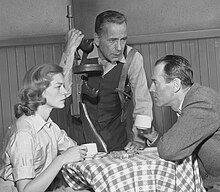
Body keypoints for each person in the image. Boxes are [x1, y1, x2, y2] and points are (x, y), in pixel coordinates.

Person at [60, 10, 153, 152]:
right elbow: (60, 91)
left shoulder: (133, 58)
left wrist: (139, 140)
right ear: (97, 39)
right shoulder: (78, 55)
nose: (119, 48)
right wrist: (68, 51)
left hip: (117, 142)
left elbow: (143, 104)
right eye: (112, 40)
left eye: (123, 39)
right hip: (79, 144)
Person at [0, 64, 89, 192]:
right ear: (40, 92)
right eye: (59, 86)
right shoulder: (24, 134)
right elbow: (26, 190)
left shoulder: (50, 126)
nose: (65, 92)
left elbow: (75, 151)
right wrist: (61, 159)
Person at [141, 55, 220, 191]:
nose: (151, 89)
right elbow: (181, 144)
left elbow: (169, 149)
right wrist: (153, 136)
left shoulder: (201, 102)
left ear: (176, 85)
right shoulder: (191, 102)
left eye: (156, 82)